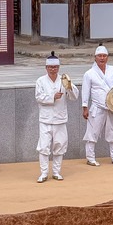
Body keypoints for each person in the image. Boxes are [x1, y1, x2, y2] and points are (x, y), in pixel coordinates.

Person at [35, 51, 79, 182]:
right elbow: (38, 97)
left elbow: (74, 96)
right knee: (44, 147)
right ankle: (43, 173)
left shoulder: (64, 80)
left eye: (55, 67)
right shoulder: (41, 81)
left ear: (58, 68)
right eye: (50, 67)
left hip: (60, 119)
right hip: (45, 119)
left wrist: (69, 87)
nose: (53, 69)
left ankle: (56, 172)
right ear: (46, 68)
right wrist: (52, 97)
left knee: (60, 146)